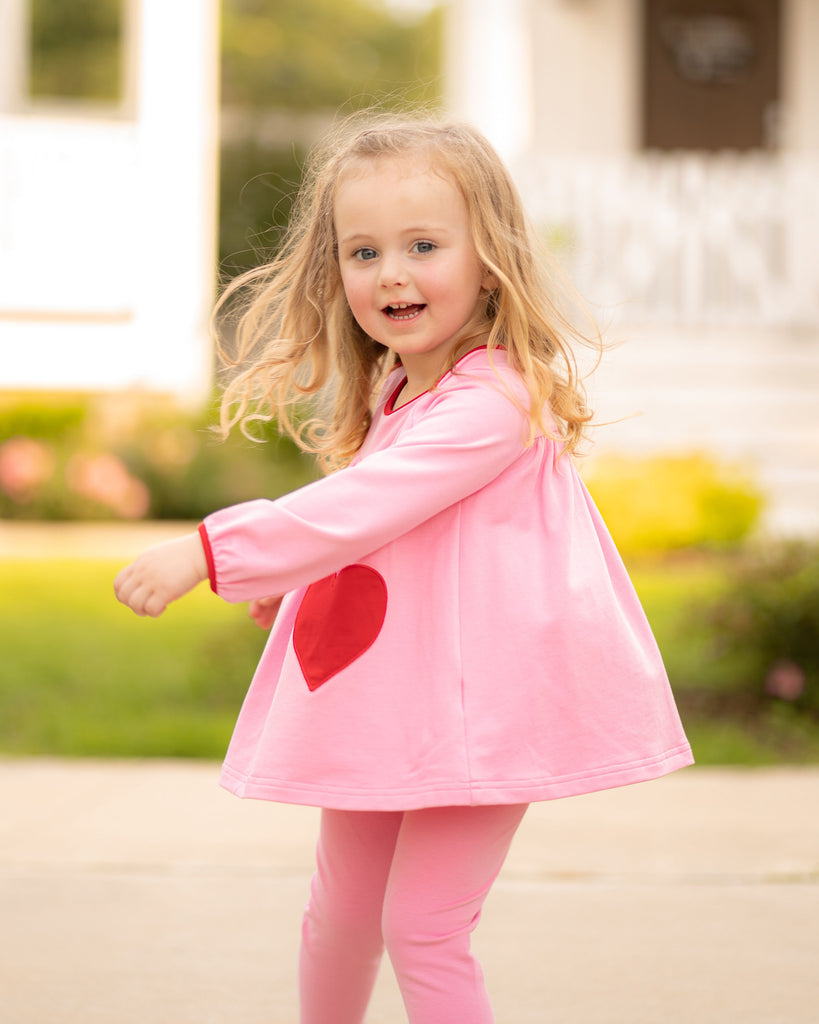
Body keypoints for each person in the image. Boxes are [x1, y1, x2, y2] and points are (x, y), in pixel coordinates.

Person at [114, 113, 693, 1024]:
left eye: (423, 245)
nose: (390, 273)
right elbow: (392, 538)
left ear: (489, 256)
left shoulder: (496, 398)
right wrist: (292, 582)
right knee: (339, 913)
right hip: (404, 704)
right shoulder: (398, 394)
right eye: (363, 251)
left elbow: (362, 506)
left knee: (422, 924)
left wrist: (213, 551)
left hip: (490, 709)